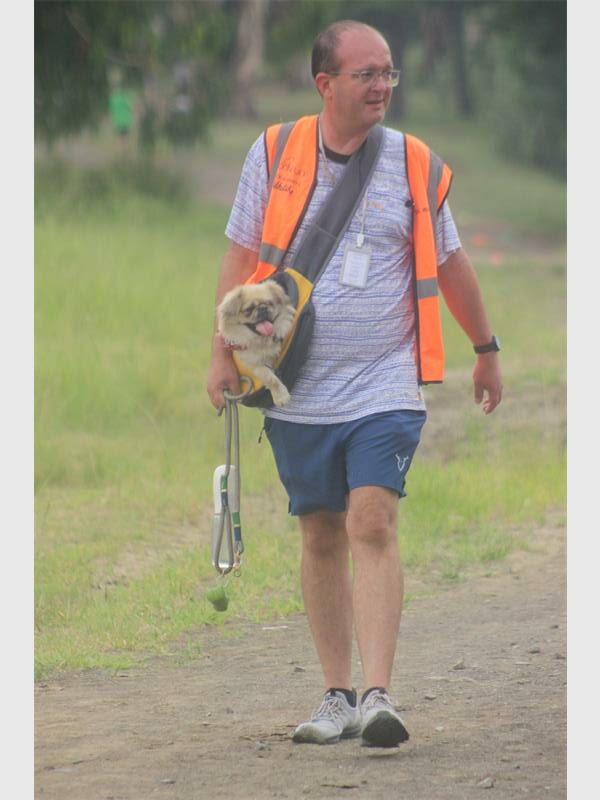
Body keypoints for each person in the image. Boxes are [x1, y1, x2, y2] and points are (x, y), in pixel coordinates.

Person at [207, 19, 502, 748]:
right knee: (320, 532)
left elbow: (453, 261)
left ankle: (377, 695)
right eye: (367, 74)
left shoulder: (415, 164)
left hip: (385, 382)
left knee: (371, 518)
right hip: (295, 382)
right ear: (325, 84)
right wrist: (222, 352)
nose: (381, 87)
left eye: (389, 73)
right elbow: (243, 253)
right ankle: (335, 693)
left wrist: (485, 346)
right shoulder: (273, 152)